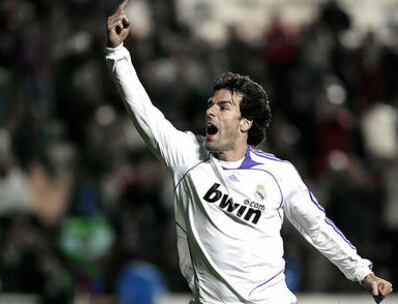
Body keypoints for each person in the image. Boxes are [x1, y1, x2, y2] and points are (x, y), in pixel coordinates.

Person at [105, 1, 393, 303]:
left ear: (245, 123)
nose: (211, 111)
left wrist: (363, 273)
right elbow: (143, 112)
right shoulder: (187, 154)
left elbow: (317, 228)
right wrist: (117, 53)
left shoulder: (278, 174)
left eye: (223, 106)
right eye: (210, 105)